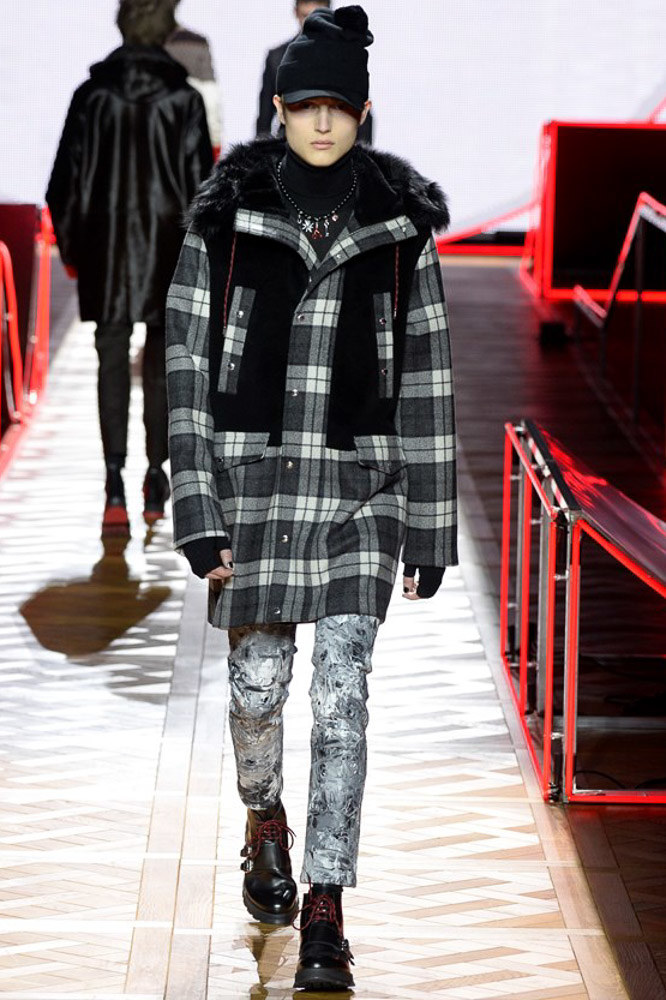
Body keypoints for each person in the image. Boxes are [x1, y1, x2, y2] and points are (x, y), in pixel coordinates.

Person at [166, 4, 456, 990]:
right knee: (256, 692)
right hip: (251, 489)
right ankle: (265, 819)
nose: (323, 121)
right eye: (307, 104)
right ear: (281, 107)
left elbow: (427, 379)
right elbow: (184, 366)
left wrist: (431, 527)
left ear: (363, 111)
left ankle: (327, 905)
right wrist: (196, 507)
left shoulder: (400, 229)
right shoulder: (223, 220)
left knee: (340, 700)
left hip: (359, 493)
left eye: (340, 104)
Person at [46, 0, 213, 535]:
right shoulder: (184, 99)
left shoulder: (91, 95)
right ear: (167, 29)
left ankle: (114, 481)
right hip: (168, 249)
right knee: (163, 364)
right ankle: (156, 477)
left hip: (106, 250)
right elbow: (202, 192)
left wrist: (75, 249)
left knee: (111, 360)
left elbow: (62, 184)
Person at [256, 0, 373, 143]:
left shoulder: (346, 56)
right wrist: (262, 152)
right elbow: (265, 115)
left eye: (317, 16)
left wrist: (361, 152)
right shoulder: (276, 57)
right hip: (290, 145)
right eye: (305, 16)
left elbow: (359, 105)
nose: (312, 23)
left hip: (336, 145)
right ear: (296, 13)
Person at [165, 0, 223, 158]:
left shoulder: (140, 49)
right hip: (190, 144)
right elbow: (210, 98)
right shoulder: (196, 42)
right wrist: (215, 145)